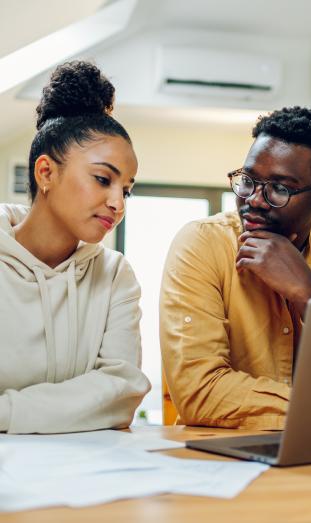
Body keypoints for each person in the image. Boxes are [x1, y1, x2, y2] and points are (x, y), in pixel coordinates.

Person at [160, 106, 311, 430]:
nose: (254, 199)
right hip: (218, 460)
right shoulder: (202, 245)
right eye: (248, 180)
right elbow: (200, 392)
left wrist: (309, 295)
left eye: (280, 189)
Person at [0, 61, 151, 434]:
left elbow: (121, 391)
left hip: (86, 479)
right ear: (46, 173)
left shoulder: (115, 274)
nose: (119, 203)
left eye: (126, 189)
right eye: (103, 179)